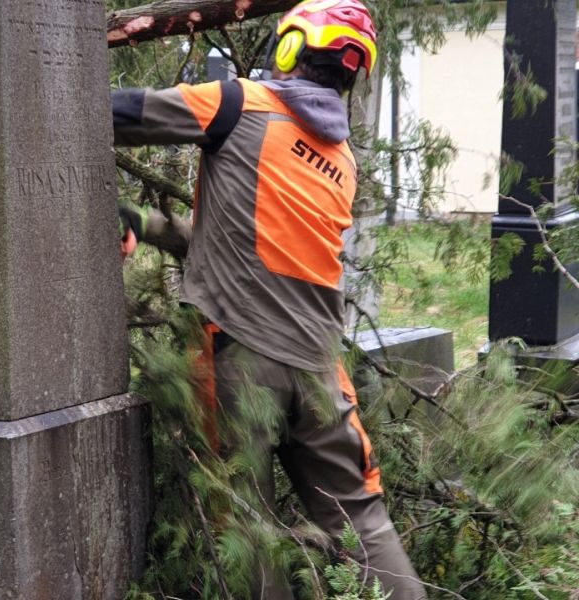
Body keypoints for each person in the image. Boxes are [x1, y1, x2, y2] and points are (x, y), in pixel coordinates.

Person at [113, 1, 427, 598]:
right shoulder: (341, 160)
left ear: (288, 48)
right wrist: (146, 223)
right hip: (320, 376)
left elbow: (117, 112)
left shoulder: (237, 104)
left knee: (245, 525)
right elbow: (242, 243)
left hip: (239, 359)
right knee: (362, 518)